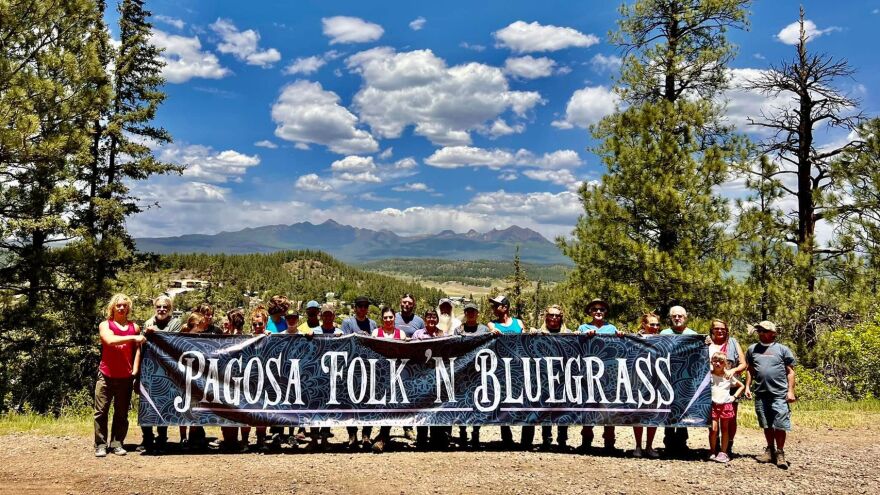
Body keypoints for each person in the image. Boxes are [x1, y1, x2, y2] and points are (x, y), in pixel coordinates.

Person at [94, 294, 146, 457]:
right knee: (101, 411)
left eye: (125, 305)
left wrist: (135, 370)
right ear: (113, 308)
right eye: (118, 306)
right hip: (106, 375)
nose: (122, 308)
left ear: (128, 308)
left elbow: (137, 350)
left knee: (121, 413)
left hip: (125, 376)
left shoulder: (134, 327)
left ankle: (117, 443)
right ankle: (101, 444)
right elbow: (109, 340)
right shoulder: (105, 325)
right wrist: (133, 337)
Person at [745, 320, 796, 469]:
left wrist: (791, 391)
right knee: (766, 423)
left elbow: (790, 372)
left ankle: (780, 453)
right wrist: (747, 386)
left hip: (779, 393)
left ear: (773, 333)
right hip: (761, 393)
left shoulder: (782, 350)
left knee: (780, 424)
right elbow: (750, 369)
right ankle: (769, 450)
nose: (761, 333)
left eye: (765, 331)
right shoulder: (752, 349)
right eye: (759, 331)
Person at [577, 298, 623, 453]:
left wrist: (621, 337)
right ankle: (586, 440)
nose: (598, 312)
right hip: (588, 374)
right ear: (590, 312)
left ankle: (609, 442)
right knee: (588, 407)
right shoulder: (583, 327)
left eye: (601, 309)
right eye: (595, 309)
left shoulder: (612, 328)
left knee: (608, 409)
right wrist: (583, 335)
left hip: (608, 375)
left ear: (606, 312)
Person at [524, 305, 571, 451]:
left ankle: (562, 440)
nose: (554, 318)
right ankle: (547, 439)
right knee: (546, 407)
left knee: (562, 408)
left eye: (557, 315)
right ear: (546, 316)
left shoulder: (569, 333)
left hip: (563, 376)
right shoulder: (538, 332)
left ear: (561, 317)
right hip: (543, 376)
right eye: (551, 315)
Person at [138, 295, 180, 455]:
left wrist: (157, 335)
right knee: (147, 403)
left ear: (170, 310)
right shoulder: (148, 323)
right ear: (155, 308)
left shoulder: (174, 323)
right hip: (149, 369)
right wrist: (147, 334)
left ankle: (162, 437)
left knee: (163, 402)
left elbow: (174, 343)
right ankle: (147, 437)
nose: (162, 310)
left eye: (165, 307)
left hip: (167, 370)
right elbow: (142, 345)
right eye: (159, 307)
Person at [486, 295, 525, 448]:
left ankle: (525, 438)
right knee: (502, 400)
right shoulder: (491, 324)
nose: (494, 309)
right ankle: (506, 435)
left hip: (518, 366)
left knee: (523, 399)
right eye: (494, 306)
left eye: (497, 306)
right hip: (501, 367)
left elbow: (525, 341)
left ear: (505, 307)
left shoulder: (519, 323)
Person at [341, 296, 378, 449]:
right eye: (360, 306)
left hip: (369, 367)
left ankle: (366, 434)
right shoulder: (347, 322)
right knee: (351, 402)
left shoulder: (373, 324)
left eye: (365, 306)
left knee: (368, 401)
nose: (363, 309)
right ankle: (352, 434)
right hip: (352, 366)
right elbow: (345, 342)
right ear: (355, 307)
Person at [706, 319, 747, 456]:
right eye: (716, 328)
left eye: (722, 328)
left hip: (730, 383)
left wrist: (732, 370)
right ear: (712, 330)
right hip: (712, 385)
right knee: (712, 419)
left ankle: (728, 445)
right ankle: (714, 445)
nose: (720, 331)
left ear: (727, 330)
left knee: (729, 419)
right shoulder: (707, 343)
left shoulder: (733, 343)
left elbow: (743, 364)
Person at [659, 305, 696, 455]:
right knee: (669, 410)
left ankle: (682, 442)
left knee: (683, 409)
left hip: (686, 378)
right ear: (670, 318)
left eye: (680, 315)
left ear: (685, 317)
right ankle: (668, 441)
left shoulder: (693, 335)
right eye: (674, 316)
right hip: (667, 377)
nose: (677, 318)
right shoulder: (664, 333)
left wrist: (706, 342)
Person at [413, 309, 451, 449]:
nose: (431, 319)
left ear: (437, 319)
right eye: (428, 316)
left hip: (438, 376)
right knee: (422, 407)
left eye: (434, 317)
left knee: (436, 406)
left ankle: (436, 438)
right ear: (424, 319)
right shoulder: (418, 334)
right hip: (421, 376)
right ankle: (421, 438)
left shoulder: (443, 334)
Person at [371, 306, 407, 453]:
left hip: (397, 376)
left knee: (391, 406)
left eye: (390, 317)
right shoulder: (376, 333)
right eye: (385, 317)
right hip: (379, 374)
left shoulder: (401, 334)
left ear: (394, 318)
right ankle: (378, 436)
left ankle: (383, 437)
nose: (388, 320)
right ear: (382, 319)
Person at [455, 302, 489, 449]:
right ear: (465, 313)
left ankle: (475, 432)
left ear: (477, 314)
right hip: (462, 372)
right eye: (468, 311)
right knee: (463, 402)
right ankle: (462, 431)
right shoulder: (458, 330)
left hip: (479, 372)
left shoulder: (484, 329)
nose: (470, 314)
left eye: (473, 311)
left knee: (477, 403)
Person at [218, 308, 252, 453]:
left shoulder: (242, 338)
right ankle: (237, 441)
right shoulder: (245, 337)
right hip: (234, 376)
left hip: (235, 376)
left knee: (233, 408)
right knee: (241, 408)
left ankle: (233, 441)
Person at [177, 312, 208, 450]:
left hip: (198, 376)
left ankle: (192, 436)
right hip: (183, 375)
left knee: (195, 406)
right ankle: (183, 437)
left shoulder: (202, 337)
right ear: (196, 324)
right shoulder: (182, 337)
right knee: (184, 405)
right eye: (202, 326)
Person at [632, 312, 661, 459]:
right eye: (652, 324)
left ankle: (649, 446)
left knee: (653, 413)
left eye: (657, 324)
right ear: (644, 325)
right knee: (639, 414)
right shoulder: (635, 338)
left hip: (657, 381)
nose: (655, 327)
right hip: (638, 380)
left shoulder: (664, 339)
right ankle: (638, 446)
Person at [394, 293, 423, 441]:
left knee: (409, 395)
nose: (406, 305)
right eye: (404, 302)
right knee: (393, 394)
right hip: (394, 361)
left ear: (413, 305)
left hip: (412, 364)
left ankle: (408, 427)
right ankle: (386, 428)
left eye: (409, 303)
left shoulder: (419, 321)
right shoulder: (394, 318)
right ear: (400, 302)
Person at [708, 351, 745, 463]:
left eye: (720, 361)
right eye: (715, 361)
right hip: (713, 405)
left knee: (725, 429)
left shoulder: (728, 376)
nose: (717, 363)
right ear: (711, 362)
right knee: (713, 429)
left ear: (725, 364)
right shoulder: (709, 375)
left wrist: (733, 397)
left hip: (726, 405)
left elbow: (741, 386)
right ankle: (712, 451)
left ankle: (723, 452)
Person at [246, 306, 271, 453]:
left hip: (265, 378)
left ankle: (261, 439)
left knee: (263, 410)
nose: (257, 327)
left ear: (265, 323)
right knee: (247, 409)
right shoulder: (245, 339)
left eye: (260, 324)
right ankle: (245, 440)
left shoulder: (270, 337)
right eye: (254, 324)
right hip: (248, 379)